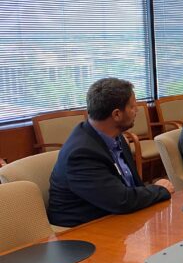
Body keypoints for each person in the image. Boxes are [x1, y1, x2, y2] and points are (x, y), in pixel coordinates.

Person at [48, 78, 173, 227]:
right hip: (83, 231)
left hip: (115, 216)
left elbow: (132, 186)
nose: (137, 110)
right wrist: (159, 190)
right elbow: (121, 200)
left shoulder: (115, 136)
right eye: (132, 107)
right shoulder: (81, 154)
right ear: (116, 115)